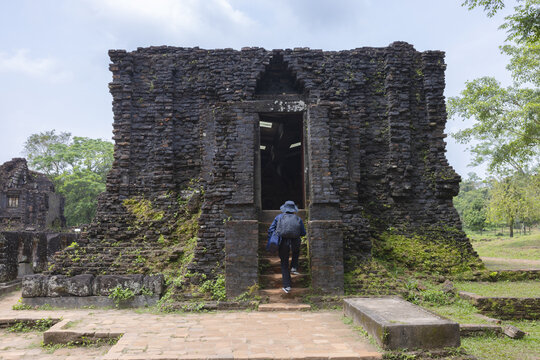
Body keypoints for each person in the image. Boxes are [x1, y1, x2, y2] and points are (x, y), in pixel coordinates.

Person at [267, 200, 306, 294]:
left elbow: (271, 229)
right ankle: (294, 267)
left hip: (283, 241)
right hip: (295, 241)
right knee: (296, 252)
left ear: (284, 209)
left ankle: (287, 286)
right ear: (293, 209)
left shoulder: (279, 217)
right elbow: (303, 233)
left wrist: (273, 238)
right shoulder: (298, 218)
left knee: (284, 263)